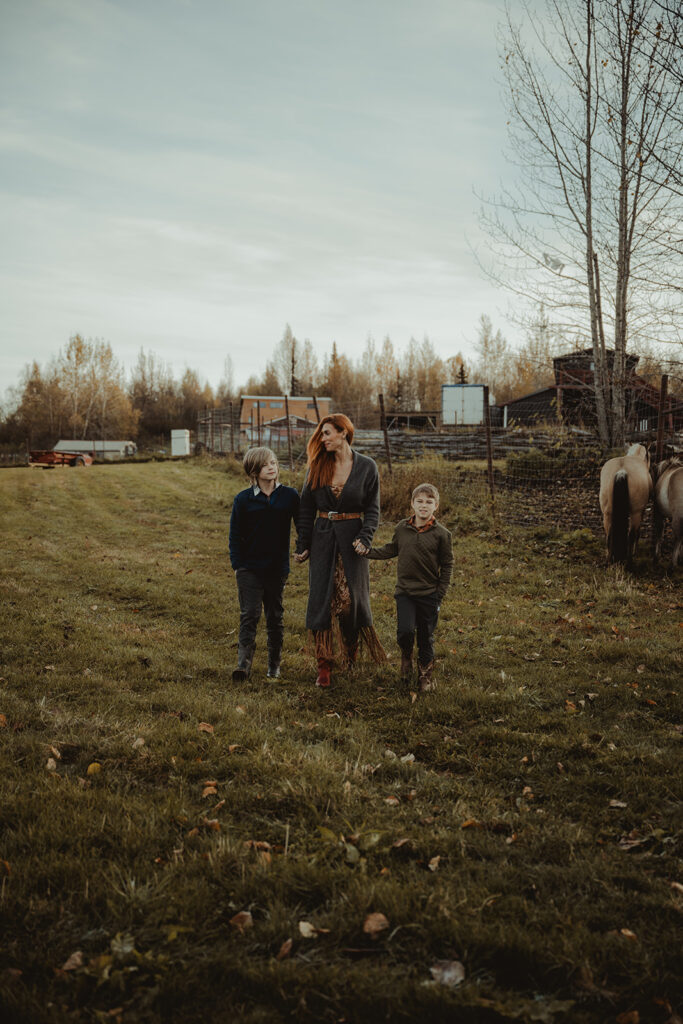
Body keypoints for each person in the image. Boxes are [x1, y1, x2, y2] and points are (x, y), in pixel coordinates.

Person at [294, 414, 386, 688]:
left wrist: (365, 537)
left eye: (327, 434)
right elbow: (306, 509)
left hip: (352, 542)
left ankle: (351, 650)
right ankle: (324, 665)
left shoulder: (367, 467)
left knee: (350, 604)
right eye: (321, 435)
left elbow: (372, 509)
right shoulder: (317, 466)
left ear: (343, 433)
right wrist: (303, 544)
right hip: (323, 540)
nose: (323, 439)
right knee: (322, 601)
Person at [367, 482, 453, 691]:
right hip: (405, 592)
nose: (424, 506)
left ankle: (425, 676)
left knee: (425, 636)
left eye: (429, 502)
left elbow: (448, 564)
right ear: (412, 504)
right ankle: (406, 655)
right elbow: (391, 549)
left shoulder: (442, 534)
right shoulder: (402, 528)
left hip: (429, 594)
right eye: (420, 501)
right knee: (405, 631)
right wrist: (367, 552)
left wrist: (439, 592)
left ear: (436, 506)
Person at [228, 447, 300, 681]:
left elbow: (302, 526)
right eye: (266, 464)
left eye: (274, 462)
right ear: (254, 471)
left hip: (276, 568)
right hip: (249, 568)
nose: (272, 467)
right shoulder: (243, 499)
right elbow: (234, 535)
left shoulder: (289, 496)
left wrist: (302, 548)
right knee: (249, 614)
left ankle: (274, 665)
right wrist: (237, 565)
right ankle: (243, 666)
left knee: (275, 617)